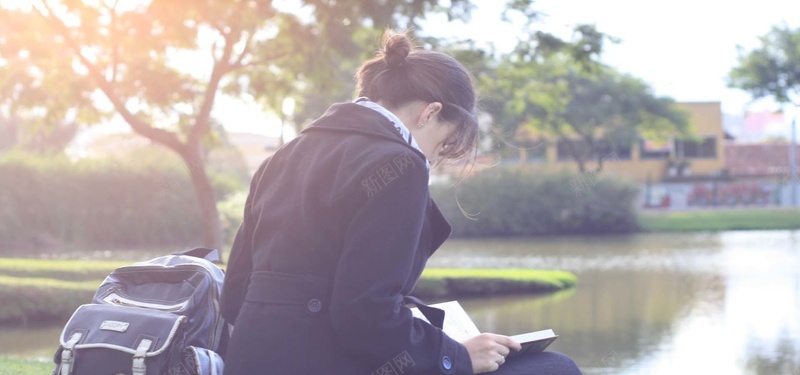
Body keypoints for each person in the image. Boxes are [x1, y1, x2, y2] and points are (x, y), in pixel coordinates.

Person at [220, 31, 582, 375]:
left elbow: (234, 296)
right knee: (551, 367)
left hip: (250, 360)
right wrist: (456, 355)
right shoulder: (399, 164)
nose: (435, 155)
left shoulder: (282, 158)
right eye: (444, 143)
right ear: (429, 113)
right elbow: (364, 317)